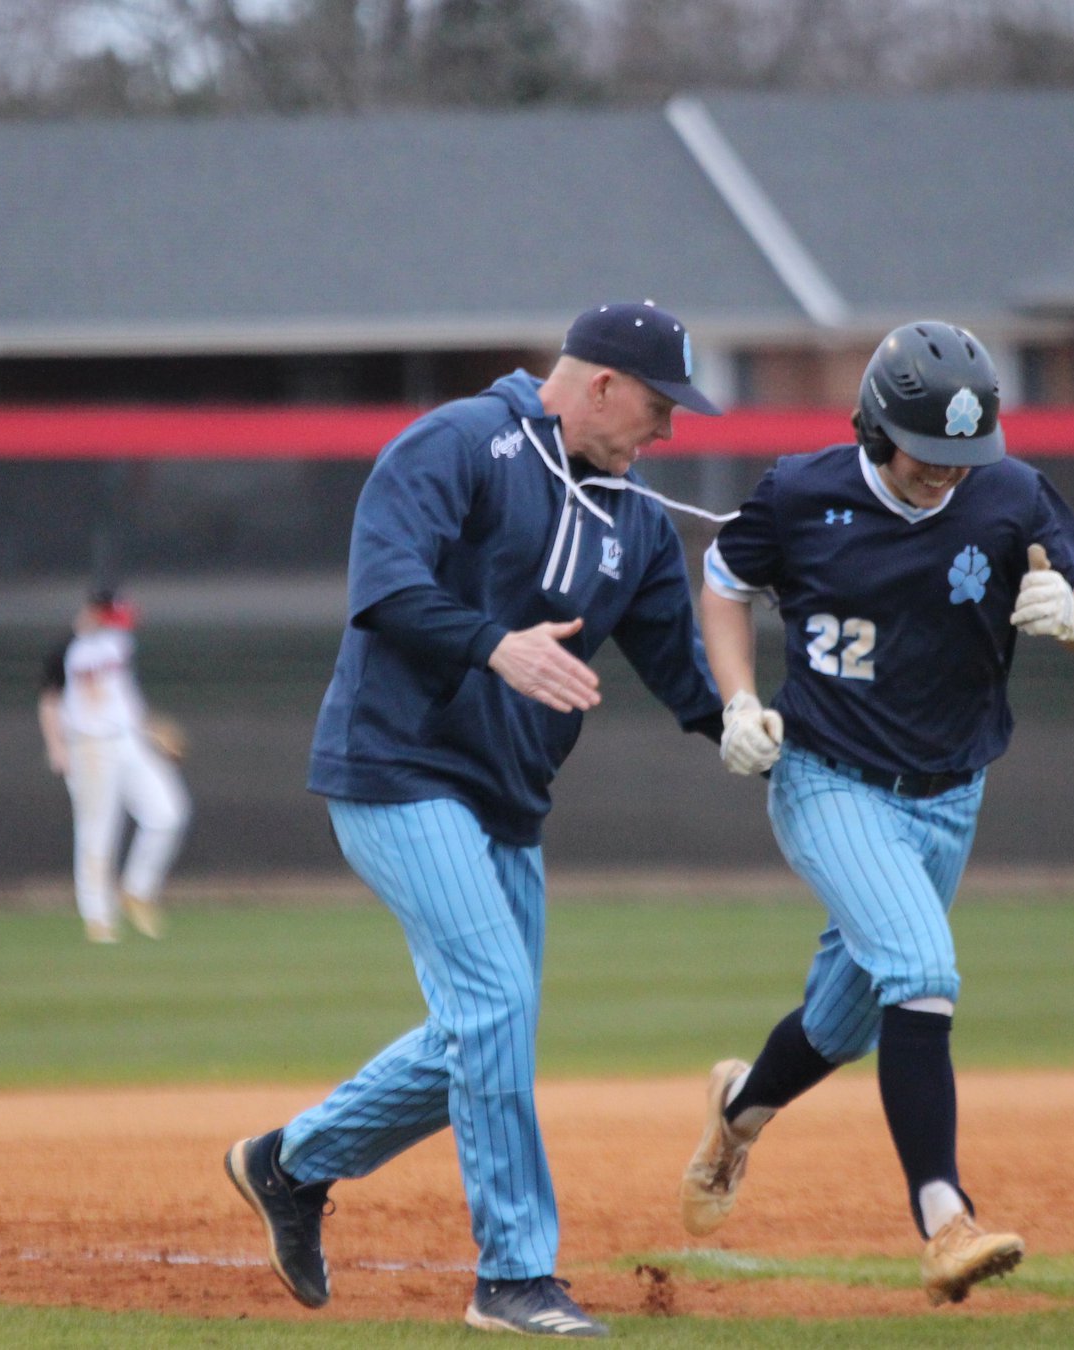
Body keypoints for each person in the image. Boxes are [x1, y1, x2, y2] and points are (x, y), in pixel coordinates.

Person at [223, 301, 727, 1338]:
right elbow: (386, 584)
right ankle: (513, 1278)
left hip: (507, 800)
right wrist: (498, 645)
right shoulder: (462, 442)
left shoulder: (634, 523)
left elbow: (697, 688)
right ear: (597, 385)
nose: (669, 430)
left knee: (486, 1028)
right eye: (659, 405)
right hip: (395, 769)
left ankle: (291, 1164)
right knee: (494, 1002)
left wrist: (775, 724)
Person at [680, 321, 1074, 1304]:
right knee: (920, 972)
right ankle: (943, 1218)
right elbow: (723, 581)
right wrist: (740, 700)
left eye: (967, 455)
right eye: (929, 455)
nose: (948, 476)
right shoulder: (800, 492)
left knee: (846, 1022)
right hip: (830, 779)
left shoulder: (1010, 493)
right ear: (875, 431)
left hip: (951, 794)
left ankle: (737, 1117)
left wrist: (1073, 623)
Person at [38, 587, 191, 944]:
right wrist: (56, 747)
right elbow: (49, 701)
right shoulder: (65, 649)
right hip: (88, 745)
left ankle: (137, 890)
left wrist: (150, 728)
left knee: (168, 814)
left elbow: (123, 693)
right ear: (92, 612)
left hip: (129, 740)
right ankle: (98, 918)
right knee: (97, 831)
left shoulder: (118, 642)